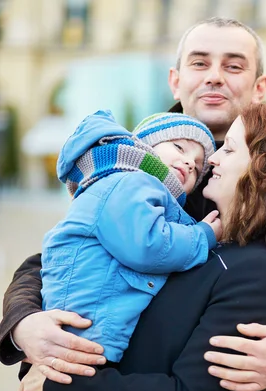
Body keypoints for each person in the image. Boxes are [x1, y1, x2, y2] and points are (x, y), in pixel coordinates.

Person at [0, 17, 266, 391]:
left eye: (233, 65)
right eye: (199, 63)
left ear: (260, 86)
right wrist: (23, 324)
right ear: (175, 80)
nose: (214, 76)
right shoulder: (136, 158)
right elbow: (60, 252)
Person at [40, 110, 220, 364]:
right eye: (179, 147)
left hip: (91, 329)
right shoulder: (130, 182)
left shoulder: (135, 186)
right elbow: (146, 246)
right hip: (86, 330)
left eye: (198, 166)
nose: (190, 162)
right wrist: (203, 236)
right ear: (144, 146)